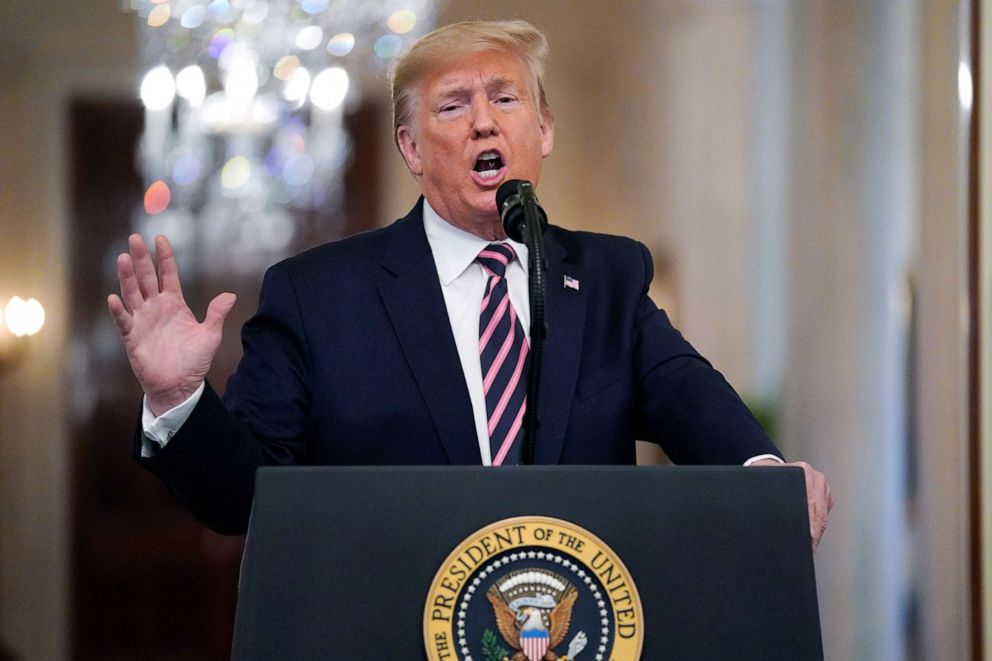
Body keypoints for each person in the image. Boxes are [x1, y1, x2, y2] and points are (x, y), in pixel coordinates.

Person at [108, 20, 832, 542]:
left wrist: (767, 476)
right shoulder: (317, 296)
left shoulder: (607, 277)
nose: (484, 121)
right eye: (454, 105)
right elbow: (244, 499)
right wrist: (177, 398)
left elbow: (689, 397)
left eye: (506, 99)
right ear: (412, 148)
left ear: (543, 131)